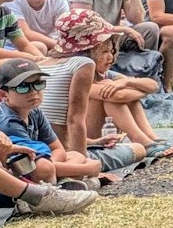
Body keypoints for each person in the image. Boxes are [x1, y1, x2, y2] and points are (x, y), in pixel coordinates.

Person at [0, 59, 105, 209]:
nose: (33, 92)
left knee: (74, 156)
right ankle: (58, 188)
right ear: (3, 95)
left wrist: (51, 165)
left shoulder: (34, 111)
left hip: (21, 169)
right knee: (45, 167)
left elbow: (58, 149)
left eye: (38, 84)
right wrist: (87, 170)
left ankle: (62, 185)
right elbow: (35, 166)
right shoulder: (7, 122)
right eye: (23, 87)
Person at [38, 10, 149, 174]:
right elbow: (74, 120)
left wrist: (95, 141)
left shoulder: (43, 63)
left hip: (43, 148)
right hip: (67, 153)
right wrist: (82, 165)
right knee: (139, 149)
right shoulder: (83, 63)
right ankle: (72, 171)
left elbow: (54, 125)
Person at [52, 11, 171, 158]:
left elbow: (153, 85)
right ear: (87, 52)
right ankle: (143, 141)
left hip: (102, 130)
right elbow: (118, 96)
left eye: (112, 51)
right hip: (83, 136)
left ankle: (151, 137)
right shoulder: (77, 74)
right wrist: (132, 89)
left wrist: (127, 82)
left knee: (121, 94)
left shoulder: (103, 74)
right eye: (103, 52)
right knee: (112, 97)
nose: (111, 57)